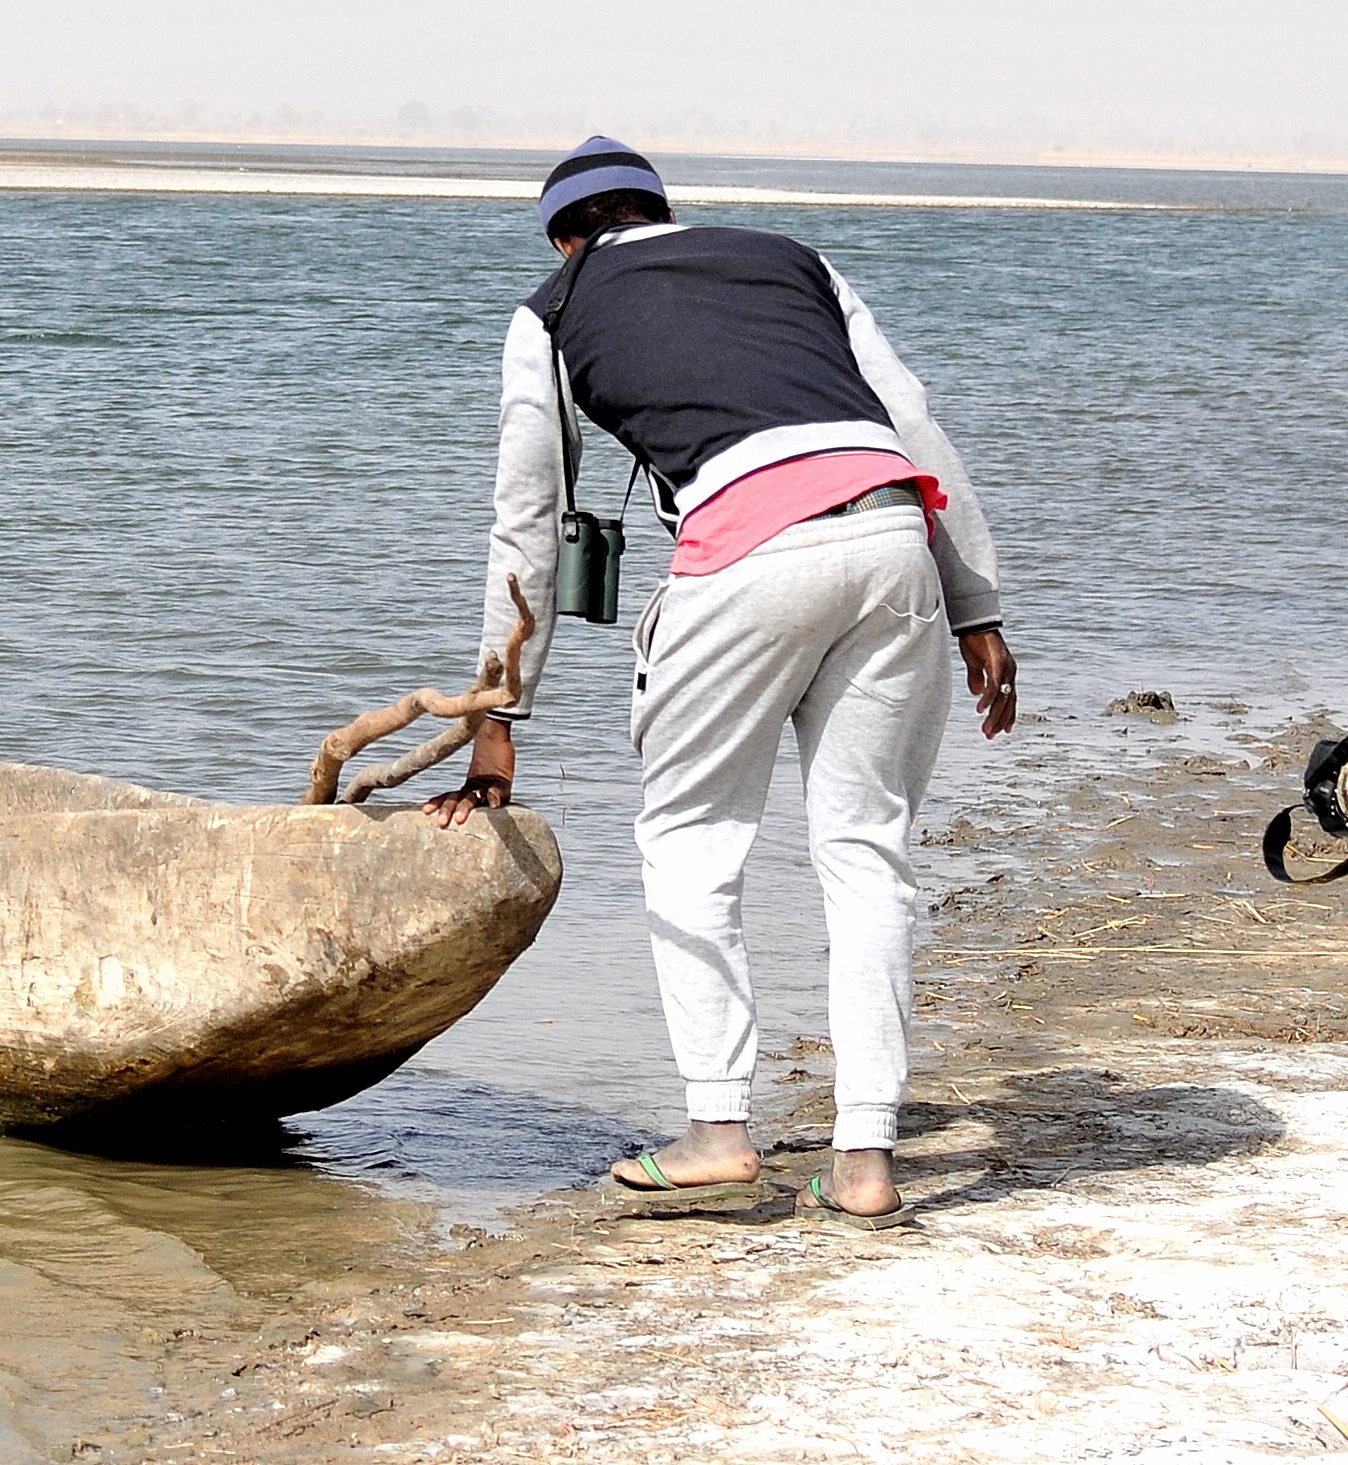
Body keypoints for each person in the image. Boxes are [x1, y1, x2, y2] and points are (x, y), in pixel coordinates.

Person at [429, 137, 1019, 1229]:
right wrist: (974, 602)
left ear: (565, 236)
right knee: (865, 848)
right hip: (892, 536)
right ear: (663, 212)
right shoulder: (792, 257)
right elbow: (913, 419)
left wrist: (496, 712)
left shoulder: (550, 309)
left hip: (746, 551)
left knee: (691, 839)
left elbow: (528, 515)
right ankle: (864, 1160)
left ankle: (716, 1130)